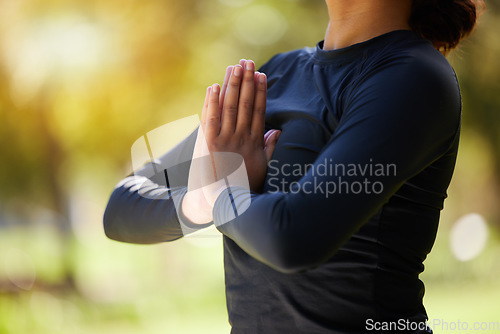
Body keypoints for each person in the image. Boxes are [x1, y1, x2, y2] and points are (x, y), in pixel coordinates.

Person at [103, 0, 483, 333]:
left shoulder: (413, 76)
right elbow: (122, 208)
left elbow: (293, 237)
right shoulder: (276, 75)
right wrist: (202, 201)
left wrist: (222, 192)